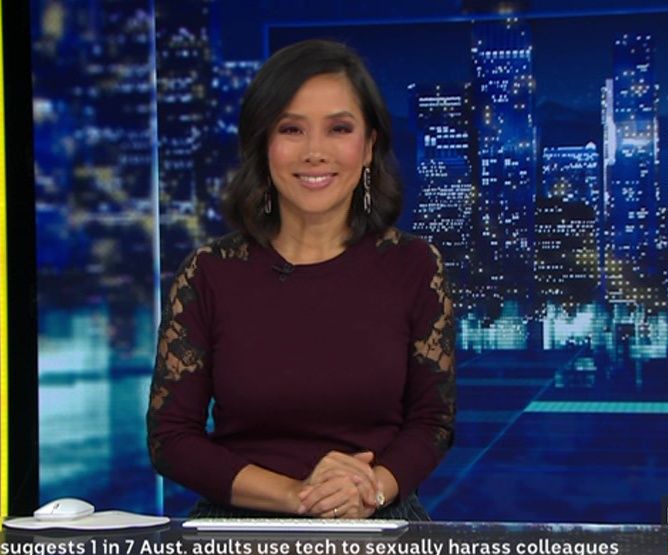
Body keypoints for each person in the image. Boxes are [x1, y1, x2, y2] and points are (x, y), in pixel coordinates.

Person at [147, 39, 454, 520]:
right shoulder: (209, 272)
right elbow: (171, 439)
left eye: (339, 129)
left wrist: (371, 490)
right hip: (240, 523)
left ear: (369, 146)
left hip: (375, 512)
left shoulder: (415, 265)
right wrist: (299, 495)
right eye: (291, 129)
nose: (315, 152)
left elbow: (433, 421)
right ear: (263, 144)